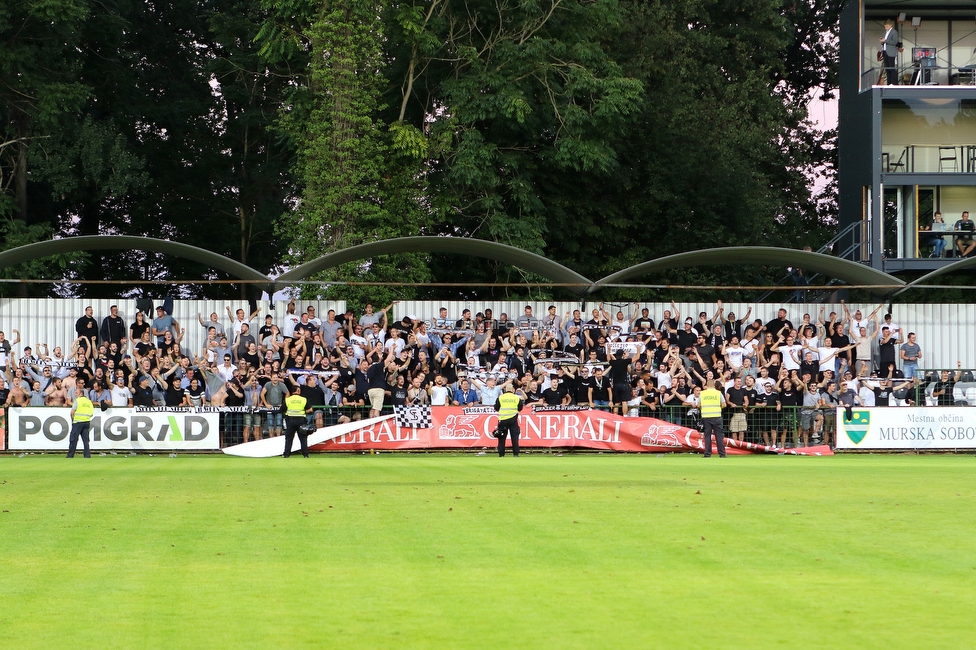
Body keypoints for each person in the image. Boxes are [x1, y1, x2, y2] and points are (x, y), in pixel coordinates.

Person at [66, 378, 94, 459]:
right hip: (87, 422)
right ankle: (87, 455)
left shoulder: (77, 401)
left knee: (73, 439)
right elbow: (91, 413)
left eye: (76, 393)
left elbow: (72, 412)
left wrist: (73, 420)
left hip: (77, 422)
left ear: (81, 393)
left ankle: (70, 455)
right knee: (86, 440)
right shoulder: (89, 402)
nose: (75, 394)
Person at [493, 384, 524, 457]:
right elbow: (520, 408)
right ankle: (516, 454)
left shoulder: (501, 397)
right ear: (513, 390)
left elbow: (496, 407)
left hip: (503, 420)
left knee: (501, 438)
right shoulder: (516, 398)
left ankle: (501, 454)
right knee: (514, 437)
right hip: (513, 419)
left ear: (505, 389)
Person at [282, 386, 312, 458]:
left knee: (289, 438)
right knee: (303, 438)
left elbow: (282, 409)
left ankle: (286, 454)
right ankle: (305, 455)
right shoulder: (303, 399)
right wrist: (304, 411)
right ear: (298, 391)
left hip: (290, 420)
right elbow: (310, 409)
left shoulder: (287, 399)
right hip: (301, 420)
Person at [700, 380, 727, 458]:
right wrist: (718, 407)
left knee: (707, 436)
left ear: (707, 385)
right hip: (717, 416)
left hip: (706, 416)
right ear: (714, 385)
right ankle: (722, 454)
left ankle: (707, 454)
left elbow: (698, 404)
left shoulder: (703, 393)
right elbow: (724, 404)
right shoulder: (718, 393)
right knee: (719, 436)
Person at [879, 19, 900, 85]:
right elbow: (886, 41)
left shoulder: (894, 32)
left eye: (887, 26)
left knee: (892, 68)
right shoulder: (885, 32)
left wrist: (885, 41)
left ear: (891, 25)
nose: (885, 27)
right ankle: (889, 82)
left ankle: (894, 82)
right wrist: (882, 41)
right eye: (885, 26)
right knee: (887, 68)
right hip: (885, 51)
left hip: (891, 52)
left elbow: (895, 42)